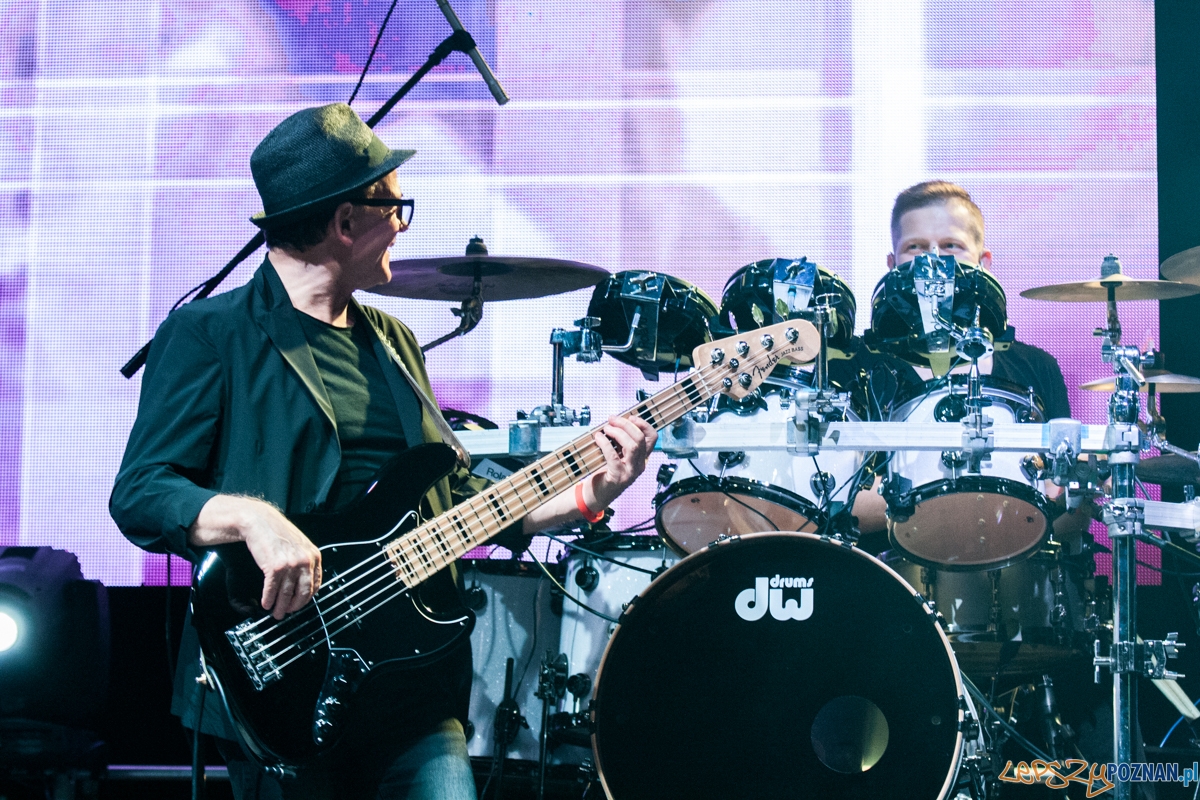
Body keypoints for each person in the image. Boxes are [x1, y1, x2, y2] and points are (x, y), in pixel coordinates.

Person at [109, 102, 656, 800]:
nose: (402, 224)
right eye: (396, 207)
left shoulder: (393, 342)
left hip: (413, 683)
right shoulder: (210, 333)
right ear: (345, 221)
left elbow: (454, 506)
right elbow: (142, 492)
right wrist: (254, 520)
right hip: (285, 671)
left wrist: (588, 494)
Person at [833, 180, 1076, 539]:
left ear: (983, 262)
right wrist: (947, 501)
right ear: (892, 263)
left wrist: (1075, 495)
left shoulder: (1035, 367)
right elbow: (836, 501)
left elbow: (1068, 512)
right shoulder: (855, 368)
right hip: (887, 580)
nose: (933, 261)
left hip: (1014, 572)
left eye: (951, 246)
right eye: (915, 248)